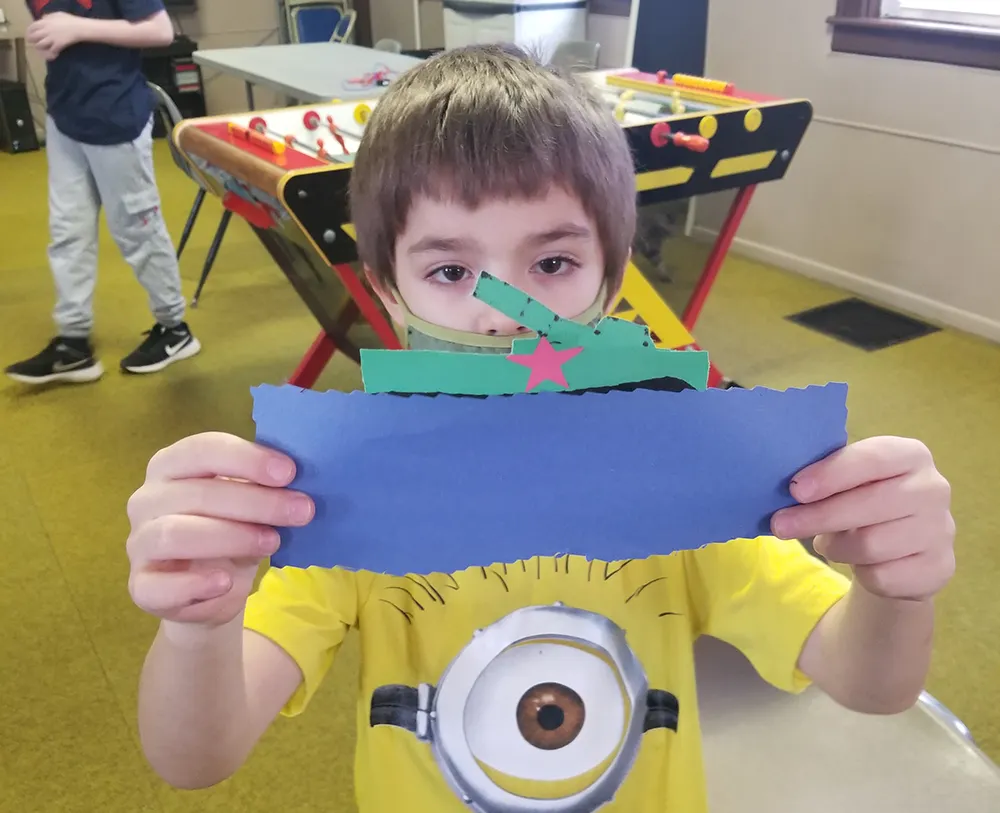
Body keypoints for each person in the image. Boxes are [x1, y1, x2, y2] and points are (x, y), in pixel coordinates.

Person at [126, 46, 956, 812]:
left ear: (611, 281)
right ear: (388, 292)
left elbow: (869, 681)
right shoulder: (357, 501)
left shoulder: (673, 477)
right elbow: (197, 756)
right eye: (450, 270)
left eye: (551, 264)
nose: (500, 317)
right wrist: (199, 620)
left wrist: (893, 587)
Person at [5, 0, 200, 386]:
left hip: (117, 118)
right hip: (65, 116)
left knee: (137, 229)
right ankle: (73, 345)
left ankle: (175, 330)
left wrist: (77, 29)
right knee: (67, 231)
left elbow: (160, 30)